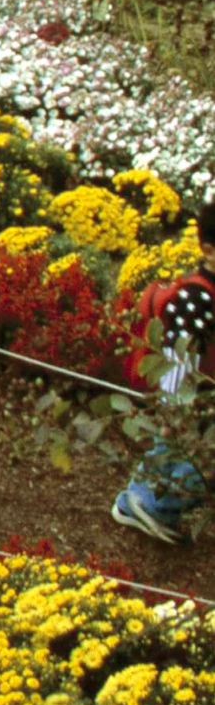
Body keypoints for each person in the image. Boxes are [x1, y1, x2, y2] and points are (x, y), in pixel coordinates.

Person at [113, 203, 215, 545]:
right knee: (185, 456)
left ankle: (149, 501)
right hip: (192, 401)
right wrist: (175, 408)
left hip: (203, 401)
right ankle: (148, 502)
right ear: (208, 250)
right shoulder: (196, 296)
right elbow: (177, 356)